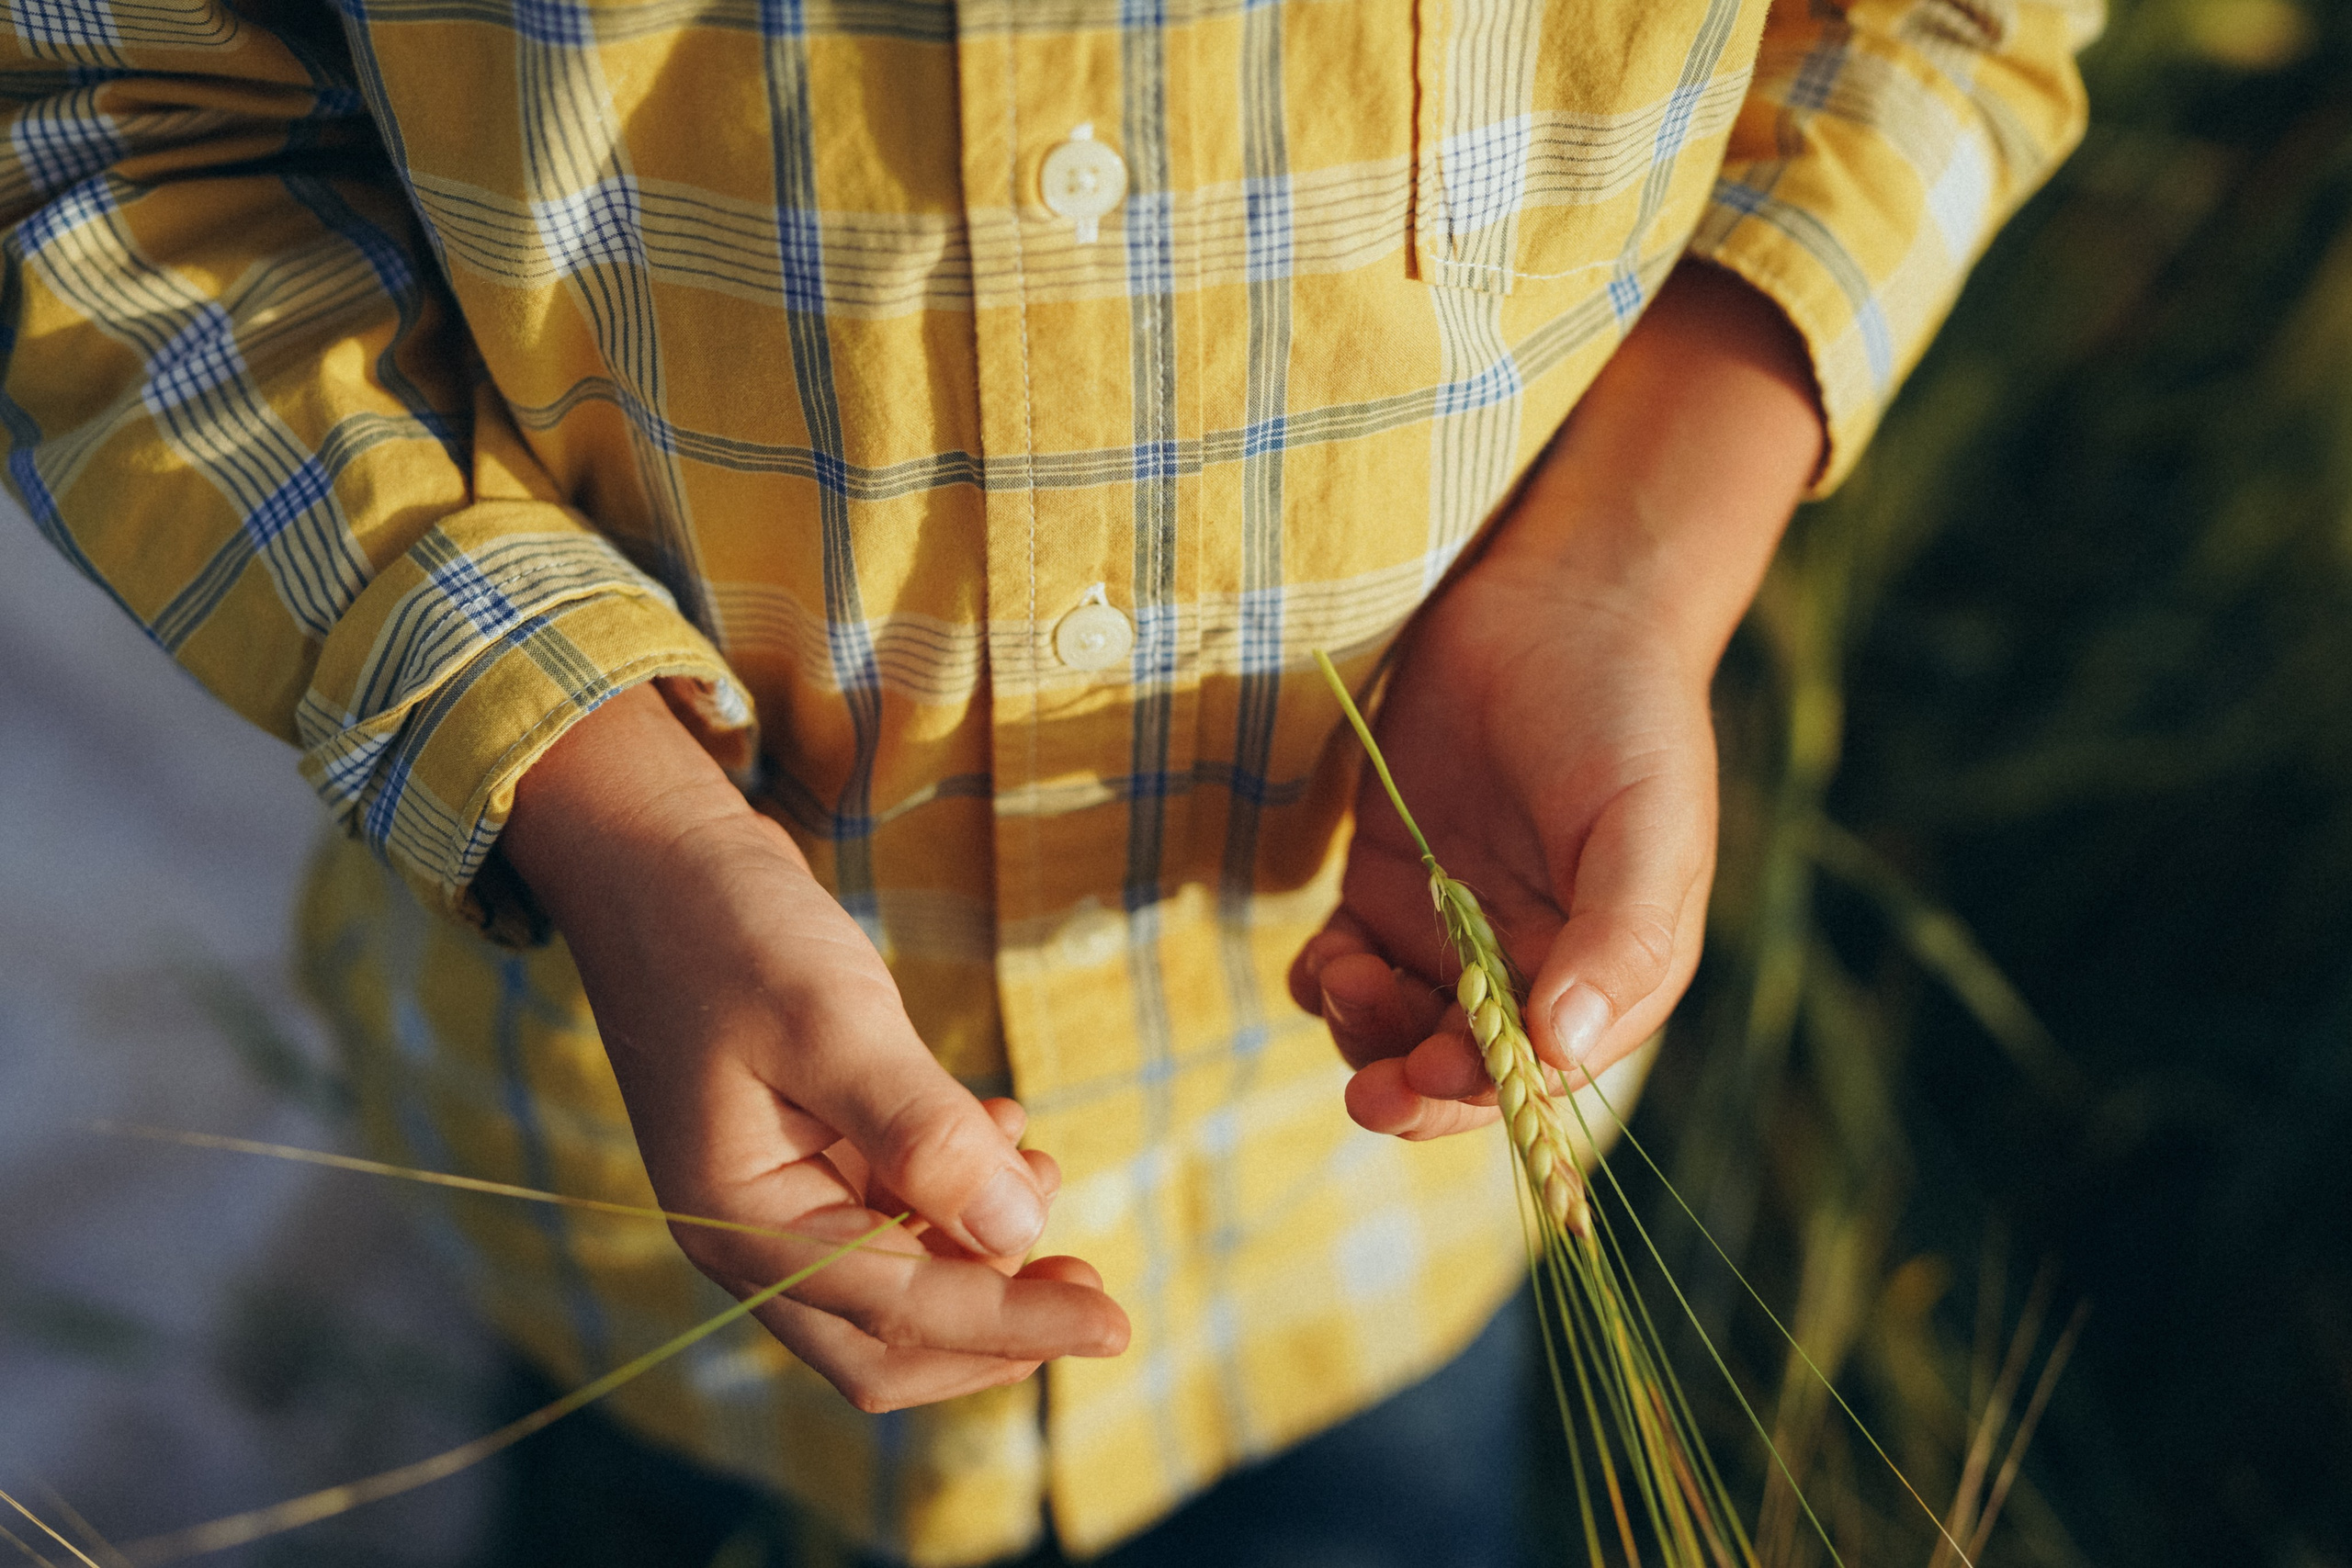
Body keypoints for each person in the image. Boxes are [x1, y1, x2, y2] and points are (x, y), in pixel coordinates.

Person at [0, 1, 2094, 1561]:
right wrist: (607, 805)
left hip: (1353, 1224)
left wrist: (1629, 564)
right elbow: (97, 122)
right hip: (620, 1187)